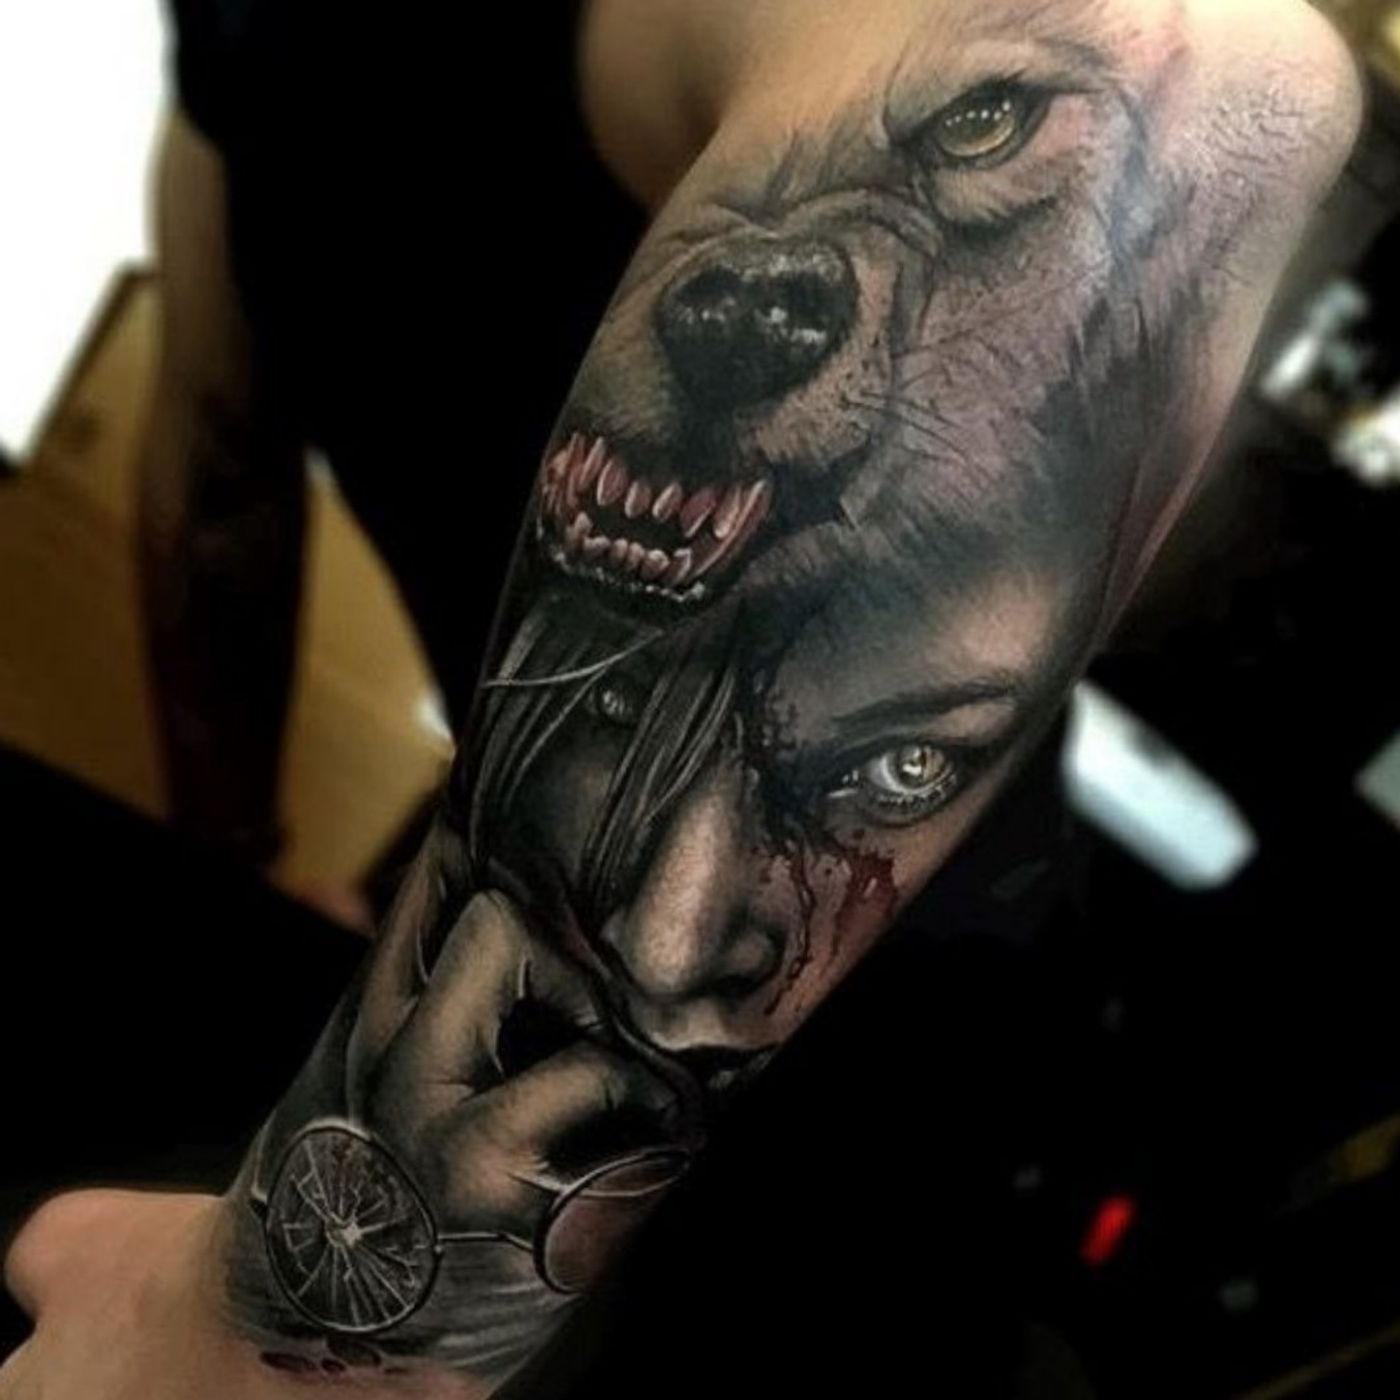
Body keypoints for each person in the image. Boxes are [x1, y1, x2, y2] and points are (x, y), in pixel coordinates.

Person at [0, 0, 1361, 1396]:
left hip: (894, 1065)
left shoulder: (250, 72)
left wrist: (258, 1364)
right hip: (622, 966)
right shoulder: (247, 66)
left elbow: (1166, 60)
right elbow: (227, 497)